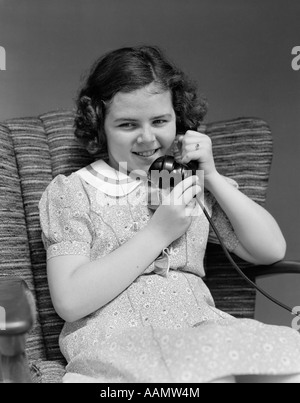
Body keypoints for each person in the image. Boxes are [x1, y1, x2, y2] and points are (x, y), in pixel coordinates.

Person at [39, 45, 300, 383]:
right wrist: (157, 233)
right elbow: (70, 301)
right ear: (99, 126)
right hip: (120, 340)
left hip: (201, 330)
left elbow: (270, 249)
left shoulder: (185, 183)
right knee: (205, 377)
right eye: (127, 124)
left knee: (288, 367)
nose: (148, 138)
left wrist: (213, 177)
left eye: (160, 121)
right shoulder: (74, 191)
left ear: (178, 120)